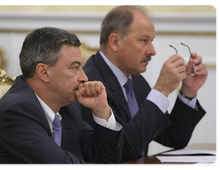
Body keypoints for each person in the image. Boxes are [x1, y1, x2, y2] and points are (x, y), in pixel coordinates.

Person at [82, 4, 208, 163]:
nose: (152, 51)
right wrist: (161, 90)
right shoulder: (89, 84)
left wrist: (188, 91)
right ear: (115, 42)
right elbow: (123, 150)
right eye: (144, 40)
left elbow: (174, 138)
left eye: (151, 41)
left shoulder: (135, 79)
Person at [0, 27, 123, 164]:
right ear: (44, 72)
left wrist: (101, 110)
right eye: (75, 67)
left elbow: (106, 161)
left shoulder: (68, 108)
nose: (84, 78)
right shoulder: (16, 113)